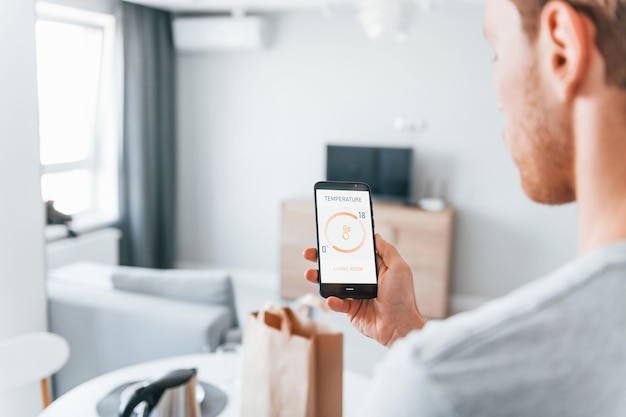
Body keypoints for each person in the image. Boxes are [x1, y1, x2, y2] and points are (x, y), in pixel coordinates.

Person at [303, 0, 626, 415]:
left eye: (497, 52)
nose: (497, 103)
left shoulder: (435, 381)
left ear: (561, 47)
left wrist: (427, 364)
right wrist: (408, 331)